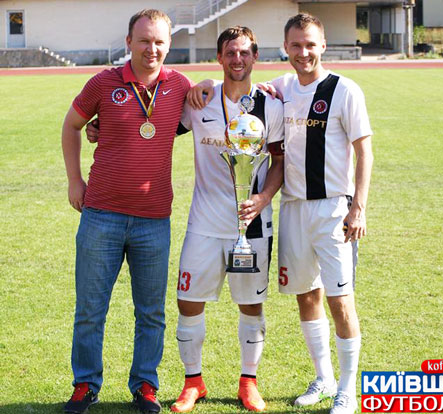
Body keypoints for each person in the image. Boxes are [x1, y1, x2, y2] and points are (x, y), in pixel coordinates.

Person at [188, 13, 373, 414]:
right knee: (307, 296)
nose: (303, 52)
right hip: (292, 208)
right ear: (285, 48)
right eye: (296, 45)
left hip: (333, 208)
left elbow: (365, 151)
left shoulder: (345, 90)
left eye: (311, 45)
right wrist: (205, 84)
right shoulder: (281, 89)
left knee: (341, 300)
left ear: (323, 46)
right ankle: (324, 378)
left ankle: (347, 388)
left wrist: (358, 207)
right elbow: (239, 88)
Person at [61, 9, 192, 414]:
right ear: (129, 42)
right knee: (90, 309)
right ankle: (86, 384)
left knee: (151, 313)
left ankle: (145, 385)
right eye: (144, 40)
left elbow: (213, 105)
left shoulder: (180, 85)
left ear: (169, 44)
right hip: (101, 214)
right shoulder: (104, 82)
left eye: (159, 41)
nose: (152, 48)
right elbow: (72, 125)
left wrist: (238, 87)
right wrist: (75, 180)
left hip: (154, 220)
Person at [171, 27, 284, 413]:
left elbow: (280, 161)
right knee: (188, 302)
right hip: (204, 223)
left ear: (255, 57)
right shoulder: (199, 100)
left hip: (252, 225)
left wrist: (263, 198)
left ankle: (248, 382)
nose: (238, 59)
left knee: (251, 305)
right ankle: (193, 382)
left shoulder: (271, 106)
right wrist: (100, 128)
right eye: (230, 53)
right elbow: (155, 129)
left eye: (244, 53)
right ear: (219, 57)